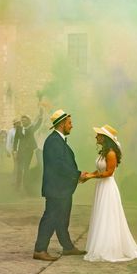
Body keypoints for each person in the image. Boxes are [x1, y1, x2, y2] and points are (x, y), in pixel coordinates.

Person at [81, 125, 137, 262]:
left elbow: (109, 172)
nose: (95, 137)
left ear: (104, 138)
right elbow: (99, 171)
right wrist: (88, 175)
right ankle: (100, 245)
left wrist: (91, 177)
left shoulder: (111, 153)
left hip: (108, 187)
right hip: (101, 187)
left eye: (98, 135)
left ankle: (108, 247)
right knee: (101, 214)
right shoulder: (104, 153)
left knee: (107, 215)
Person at [33, 109, 86, 261]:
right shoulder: (54, 141)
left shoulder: (57, 140)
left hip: (62, 188)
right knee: (50, 218)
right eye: (69, 123)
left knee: (62, 219)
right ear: (62, 124)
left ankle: (68, 247)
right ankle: (40, 249)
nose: (72, 126)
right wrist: (77, 174)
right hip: (56, 189)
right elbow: (59, 165)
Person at [14, 108, 43, 192]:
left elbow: (38, 125)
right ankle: (17, 187)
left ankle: (26, 187)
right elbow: (16, 140)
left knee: (26, 169)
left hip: (29, 151)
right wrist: (14, 151)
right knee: (19, 169)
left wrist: (40, 116)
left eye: (25, 120)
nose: (23, 122)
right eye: (22, 120)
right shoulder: (19, 128)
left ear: (28, 121)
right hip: (20, 151)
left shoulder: (31, 128)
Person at [6, 118, 21, 186]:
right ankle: (14, 181)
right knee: (16, 166)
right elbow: (9, 141)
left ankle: (19, 180)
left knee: (20, 166)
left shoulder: (21, 130)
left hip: (22, 150)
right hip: (15, 151)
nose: (18, 124)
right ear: (14, 124)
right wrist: (8, 151)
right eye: (17, 123)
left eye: (19, 123)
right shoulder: (11, 131)